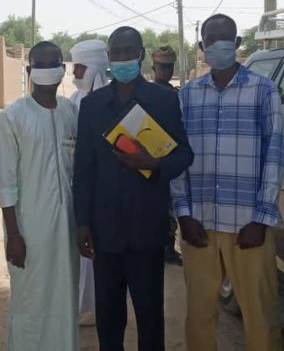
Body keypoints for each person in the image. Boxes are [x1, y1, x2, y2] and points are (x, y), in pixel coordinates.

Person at [171, 14, 284, 351]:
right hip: (200, 223)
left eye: (226, 37)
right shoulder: (187, 95)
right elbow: (177, 157)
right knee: (199, 314)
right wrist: (183, 214)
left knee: (260, 315)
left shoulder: (263, 91)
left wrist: (261, 219)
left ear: (237, 44)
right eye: (212, 38)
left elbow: (274, 155)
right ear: (202, 46)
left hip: (247, 225)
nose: (218, 43)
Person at [73, 27, 194, 351]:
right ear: (109, 57)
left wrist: (154, 163)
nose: (123, 57)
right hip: (105, 230)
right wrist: (82, 222)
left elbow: (184, 155)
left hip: (146, 228)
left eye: (130, 51)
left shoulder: (164, 100)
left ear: (141, 54)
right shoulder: (93, 106)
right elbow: (83, 170)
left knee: (150, 317)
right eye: (117, 52)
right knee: (109, 318)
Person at [0, 41, 80, 350]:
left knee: (64, 299)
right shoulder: (12, 117)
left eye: (53, 64)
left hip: (66, 228)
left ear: (63, 69)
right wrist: (13, 235)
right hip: (28, 229)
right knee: (30, 302)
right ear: (29, 71)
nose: (46, 71)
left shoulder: (71, 112)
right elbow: (6, 181)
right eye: (40, 66)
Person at [67, 38, 110, 325]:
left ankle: (100, 306)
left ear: (94, 68)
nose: (74, 74)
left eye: (79, 68)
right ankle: (82, 304)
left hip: (105, 189)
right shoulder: (74, 100)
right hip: (79, 185)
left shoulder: (111, 100)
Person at [150, 45, 184, 267]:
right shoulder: (147, 94)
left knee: (172, 209)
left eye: (169, 67)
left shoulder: (176, 94)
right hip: (151, 158)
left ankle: (168, 248)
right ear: (154, 67)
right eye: (162, 67)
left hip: (173, 159)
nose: (166, 71)